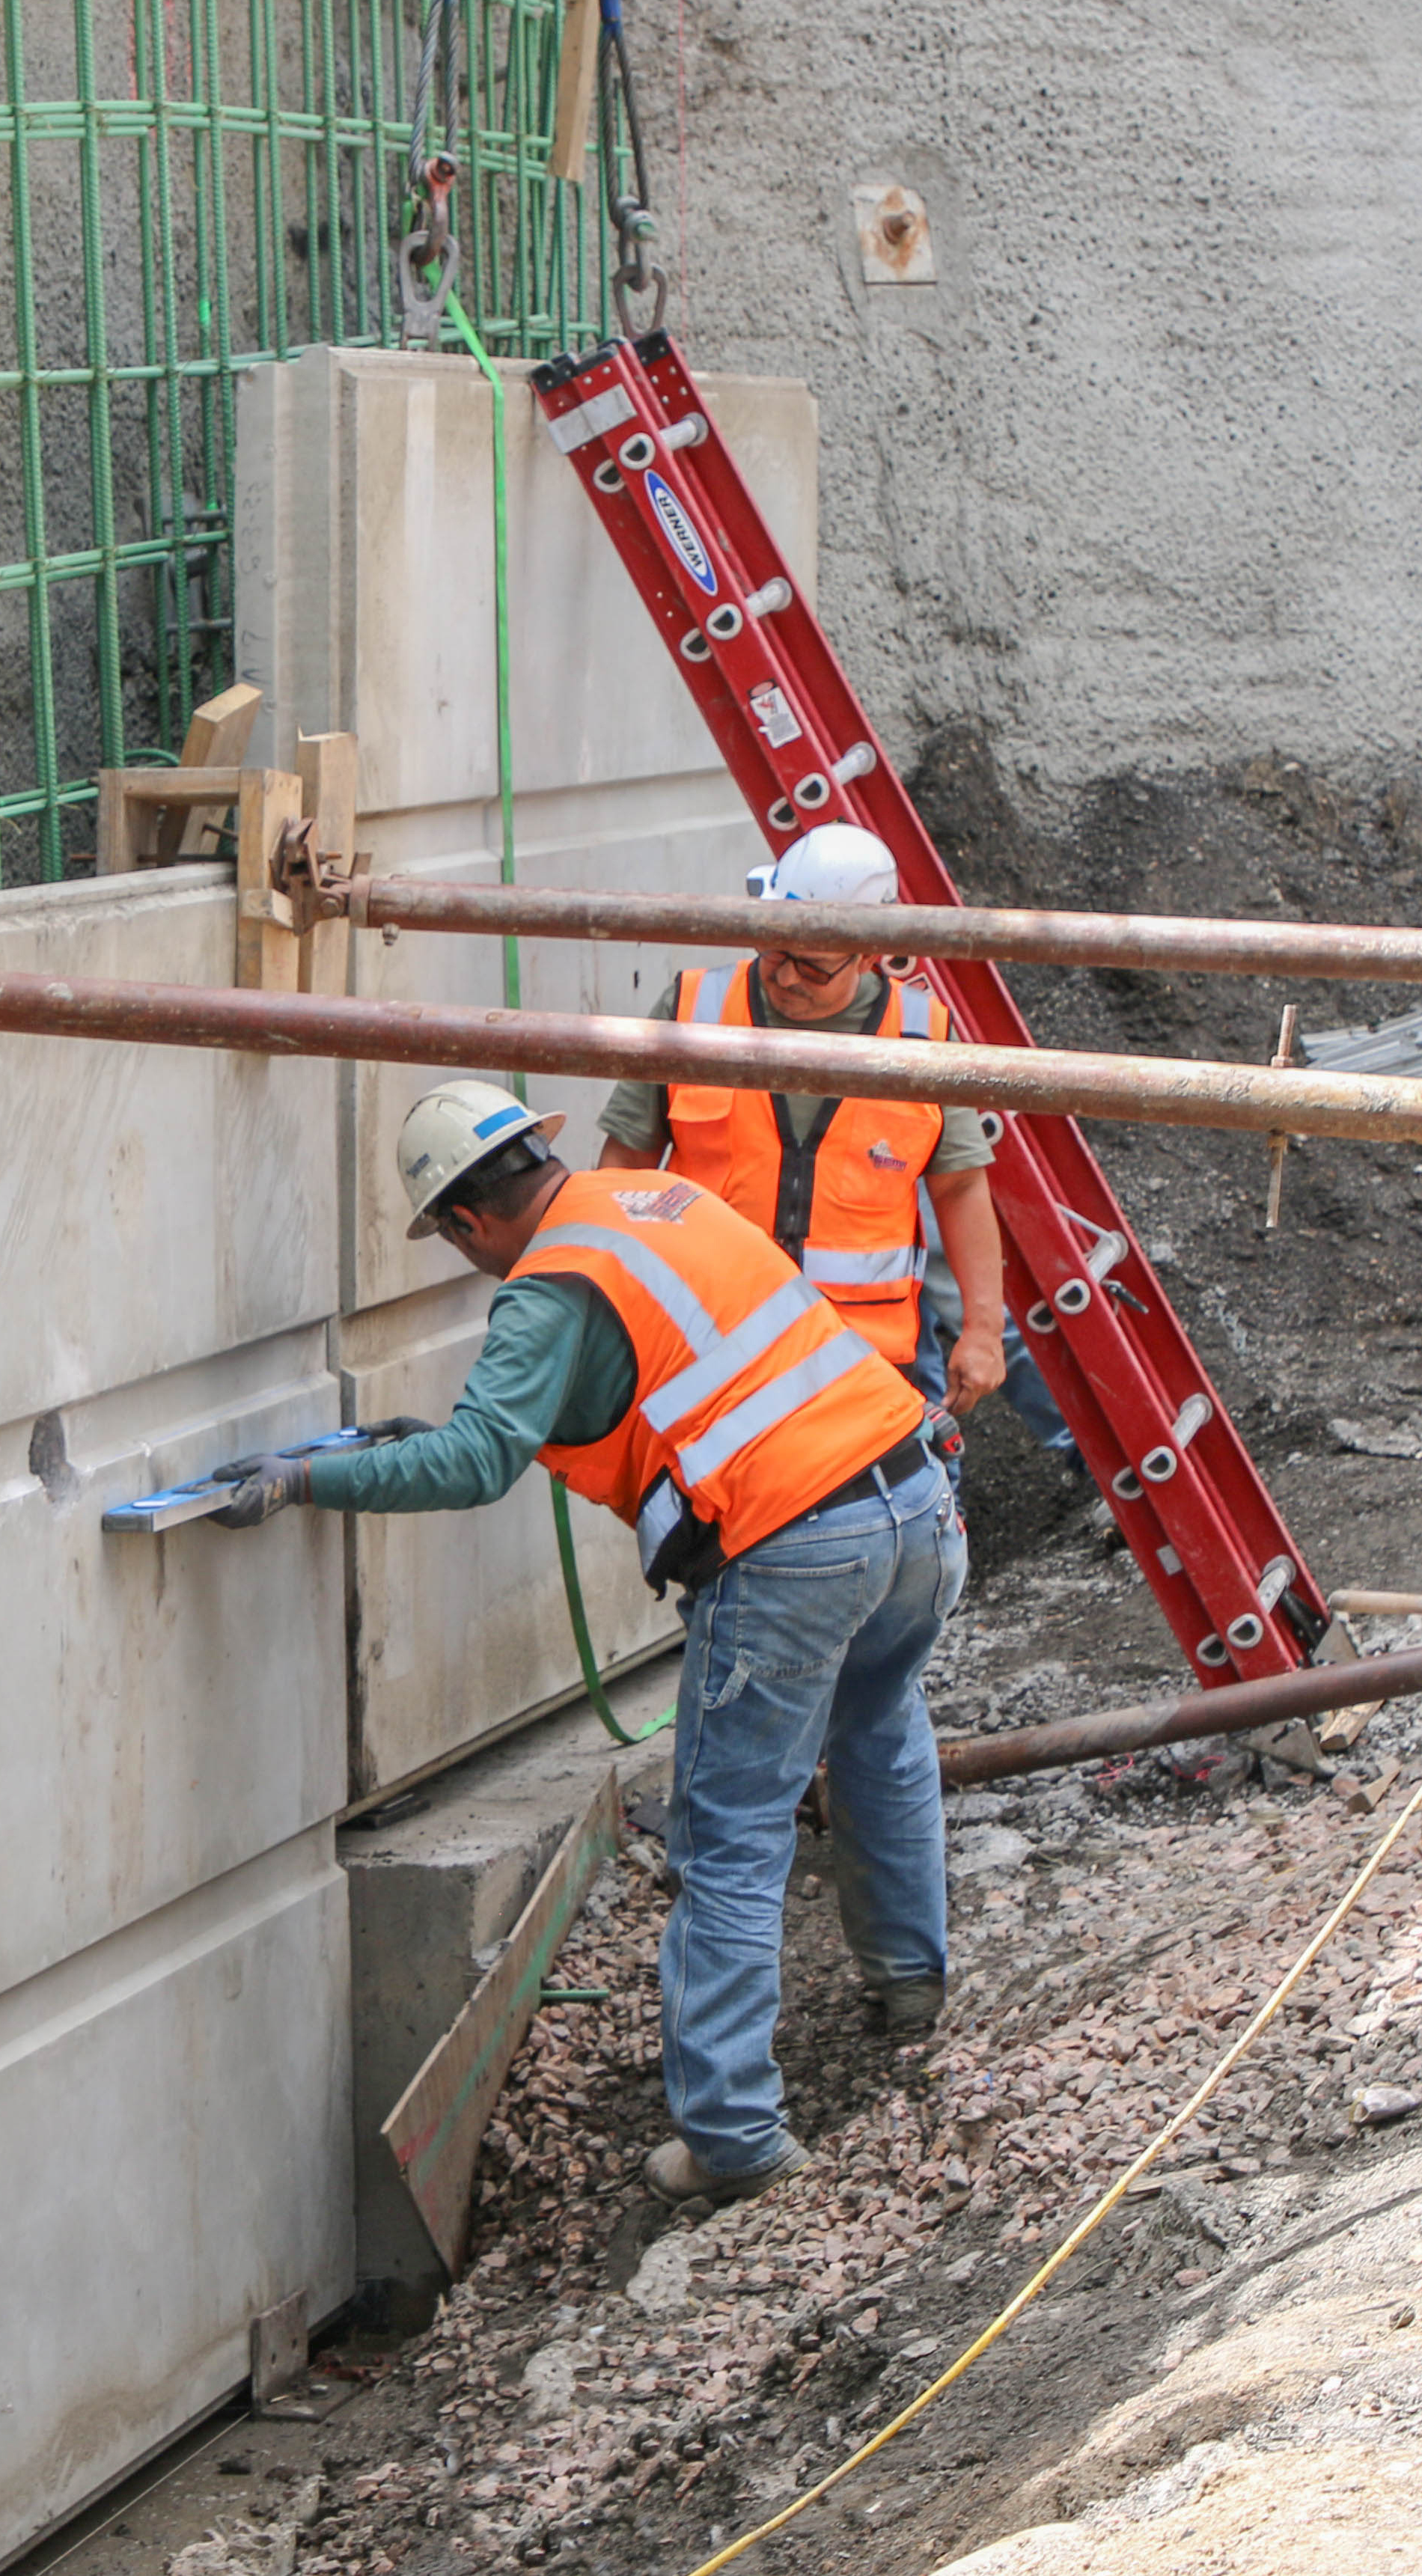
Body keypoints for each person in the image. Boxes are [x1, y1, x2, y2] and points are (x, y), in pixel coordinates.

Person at [214, 1080, 965, 2207]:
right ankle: (909, 1986)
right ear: (532, 1155)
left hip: (791, 1549)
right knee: (878, 1734)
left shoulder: (544, 1289)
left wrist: (301, 1479)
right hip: (912, 1503)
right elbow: (635, 1380)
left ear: (466, 1222)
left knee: (728, 1837)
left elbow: (478, 1465)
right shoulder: (646, 1199)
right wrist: (431, 1439)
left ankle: (732, 2137)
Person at [591, 823, 1005, 1423]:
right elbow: (622, 1167)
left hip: (858, 1370)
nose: (784, 977)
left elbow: (962, 1187)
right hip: (704, 1352)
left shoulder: (923, 1035)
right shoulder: (695, 1008)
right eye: (774, 949)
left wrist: (984, 1329)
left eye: (811, 967)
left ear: (869, 955)